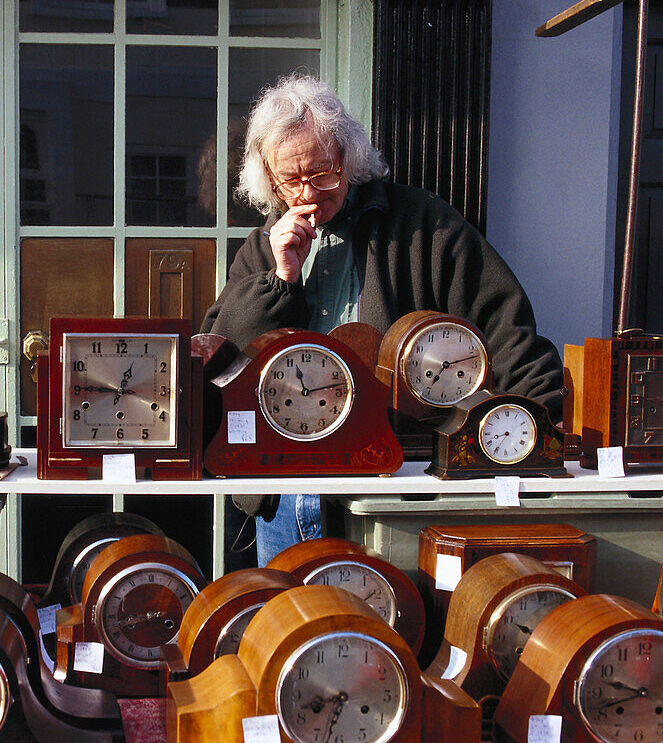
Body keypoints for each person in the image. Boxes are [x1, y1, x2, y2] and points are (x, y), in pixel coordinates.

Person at [201, 73, 564, 567]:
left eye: (324, 174)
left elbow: (503, 325)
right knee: (291, 633)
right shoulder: (262, 249)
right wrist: (280, 277)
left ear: (349, 160)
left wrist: (537, 429)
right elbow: (222, 359)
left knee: (388, 625)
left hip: (393, 477)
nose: (309, 194)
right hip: (288, 485)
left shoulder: (422, 226)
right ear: (269, 178)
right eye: (291, 180)